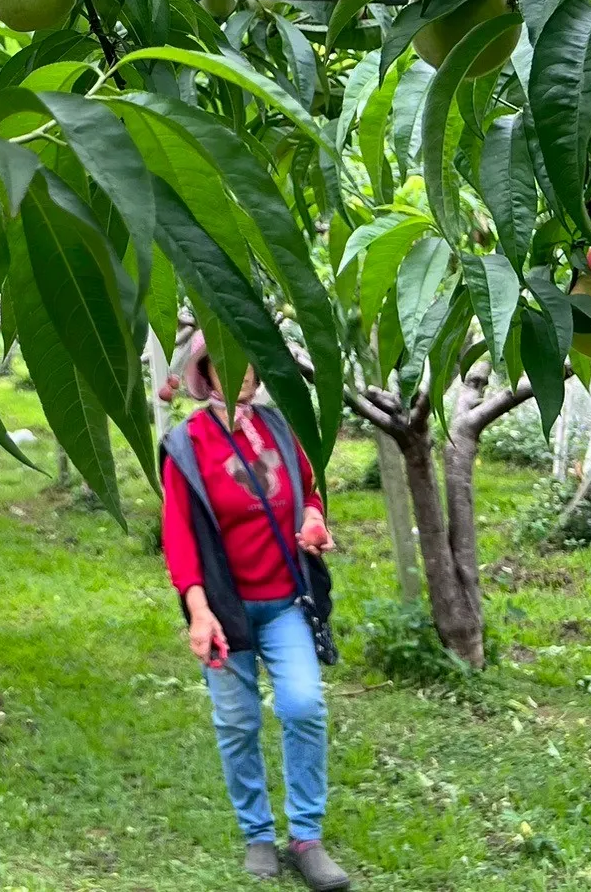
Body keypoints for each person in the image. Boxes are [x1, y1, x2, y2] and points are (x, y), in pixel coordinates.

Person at [160, 335, 346, 889]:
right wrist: (198, 611)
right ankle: (258, 835)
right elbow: (179, 536)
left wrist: (312, 521)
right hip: (225, 611)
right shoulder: (187, 444)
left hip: (286, 601)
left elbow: (310, 492)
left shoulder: (282, 430)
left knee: (303, 705)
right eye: (225, 359)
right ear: (206, 371)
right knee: (238, 722)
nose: (239, 369)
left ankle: (306, 836)